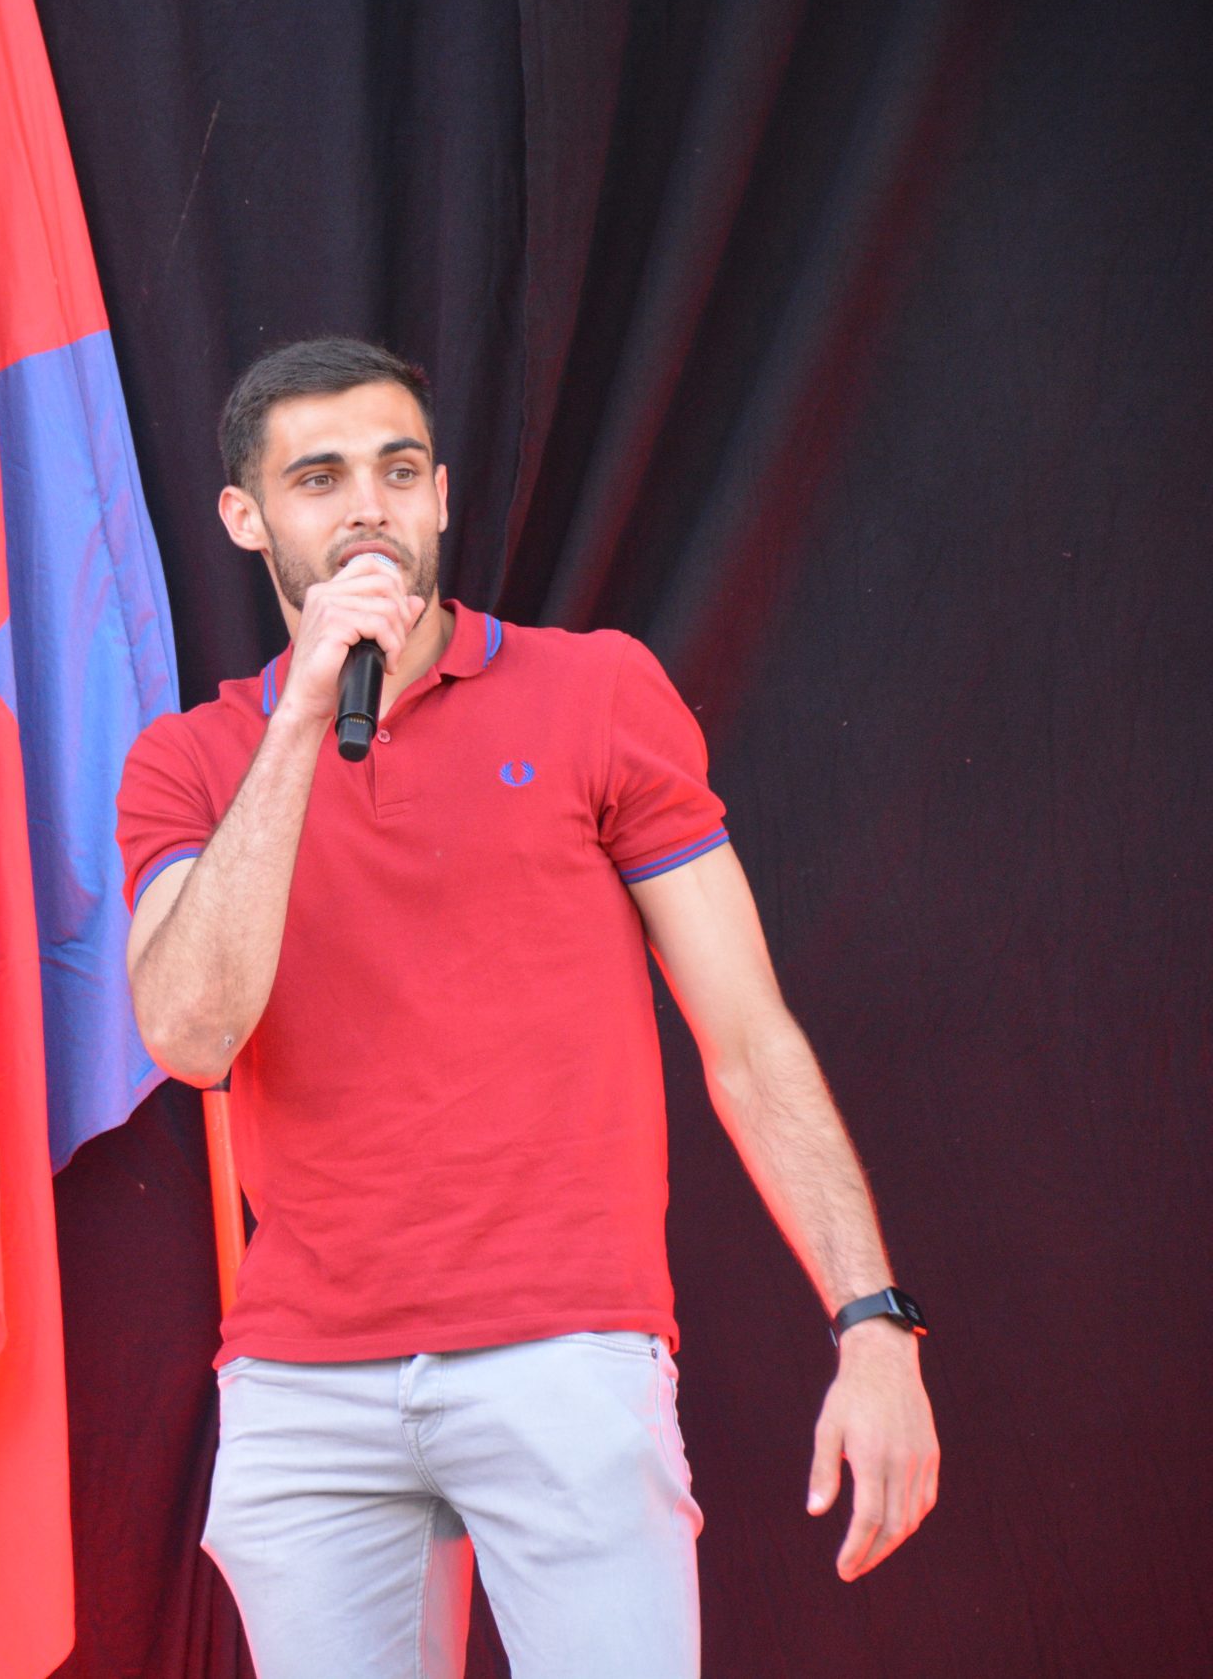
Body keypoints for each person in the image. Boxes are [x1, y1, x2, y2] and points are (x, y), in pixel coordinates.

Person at [116, 339, 937, 1677]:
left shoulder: (593, 692)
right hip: (306, 1379)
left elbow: (747, 1037)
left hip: (564, 1349)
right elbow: (191, 1035)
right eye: (319, 479)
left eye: (398, 471)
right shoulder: (191, 760)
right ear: (246, 518)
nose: (368, 508)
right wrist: (301, 720)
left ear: (442, 495)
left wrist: (872, 1321)